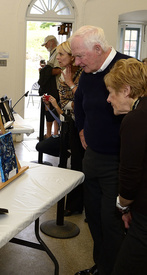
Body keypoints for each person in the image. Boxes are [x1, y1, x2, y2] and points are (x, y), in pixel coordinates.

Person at [69, 25, 131, 275]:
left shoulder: (128, 68)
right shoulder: (87, 72)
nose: (76, 61)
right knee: (93, 217)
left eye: (80, 56)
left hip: (119, 161)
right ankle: (101, 266)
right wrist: (82, 129)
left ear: (98, 48)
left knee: (111, 222)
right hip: (92, 157)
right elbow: (80, 103)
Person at [104, 58, 147, 275]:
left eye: (112, 92)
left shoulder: (135, 120)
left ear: (127, 90)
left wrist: (122, 206)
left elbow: (130, 178)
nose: (108, 98)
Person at [36, 40, 84, 215]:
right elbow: (67, 104)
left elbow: (81, 103)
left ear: (72, 57)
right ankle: (71, 203)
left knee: (78, 167)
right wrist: (57, 105)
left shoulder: (80, 74)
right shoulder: (64, 74)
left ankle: (75, 205)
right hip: (71, 124)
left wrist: (69, 100)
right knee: (69, 165)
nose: (58, 58)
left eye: (62, 55)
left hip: (81, 127)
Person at [38, 35, 61, 138]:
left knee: (55, 109)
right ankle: (50, 134)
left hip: (57, 87)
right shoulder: (53, 53)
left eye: (46, 44)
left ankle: (54, 134)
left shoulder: (58, 52)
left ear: (51, 42)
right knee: (51, 109)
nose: (45, 46)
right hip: (52, 86)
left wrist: (45, 72)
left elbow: (58, 70)